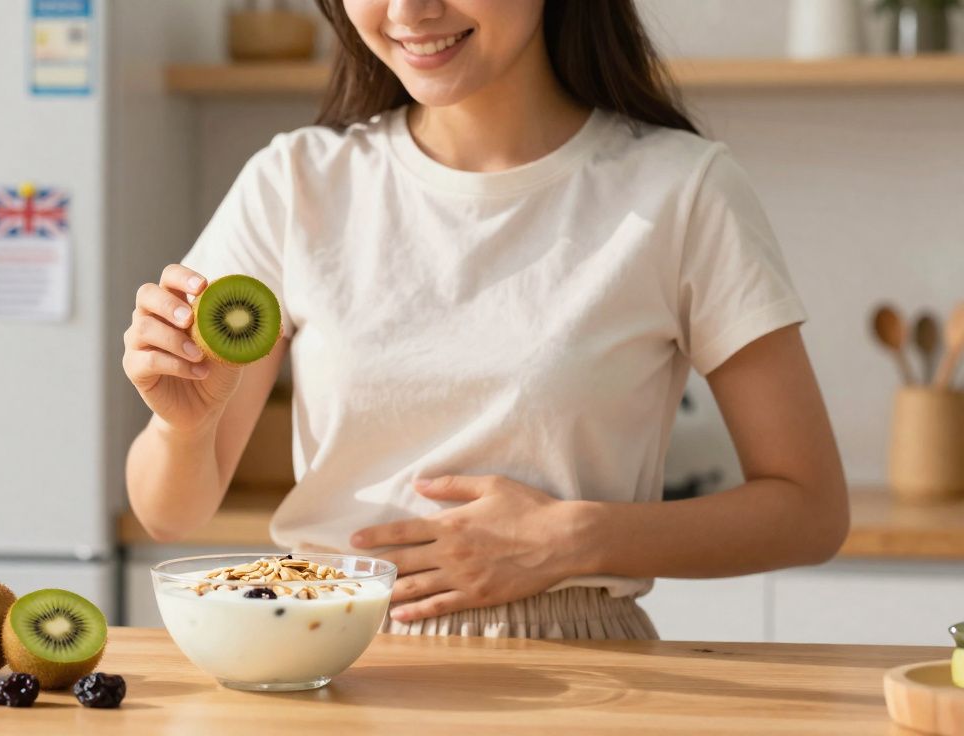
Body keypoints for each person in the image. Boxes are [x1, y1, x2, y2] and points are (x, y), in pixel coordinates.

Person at [122, 0, 848, 639]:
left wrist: (574, 538)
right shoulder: (294, 183)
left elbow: (810, 511)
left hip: (579, 670)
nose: (408, 11)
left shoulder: (683, 190)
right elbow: (169, 515)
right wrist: (183, 427)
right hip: (323, 653)